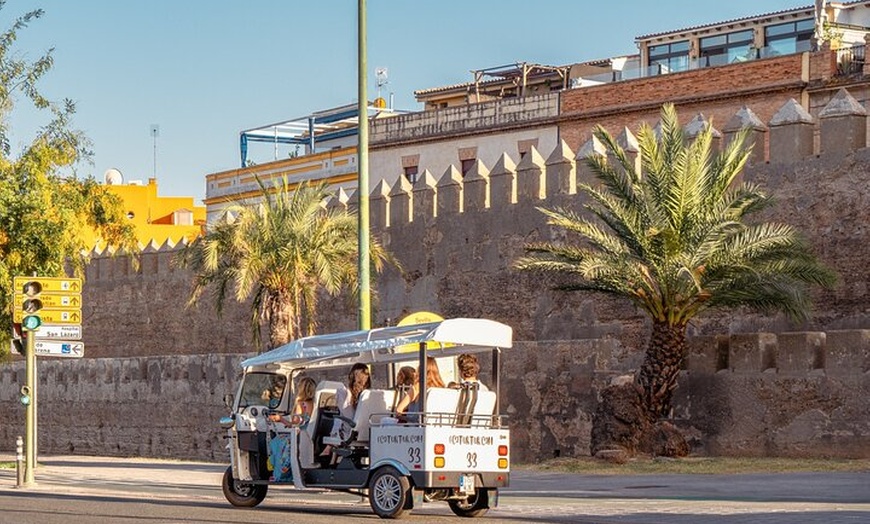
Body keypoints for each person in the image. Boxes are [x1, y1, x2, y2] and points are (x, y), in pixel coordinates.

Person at [268, 376, 316, 481]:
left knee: (277, 441)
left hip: (301, 435)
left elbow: (295, 422)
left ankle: (279, 473)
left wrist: (280, 419)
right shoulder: (313, 403)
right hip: (310, 434)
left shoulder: (301, 403)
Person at [396, 357, 446, 421]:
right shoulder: (441, 388)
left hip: (415, 426)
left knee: (385, 420)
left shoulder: (417, 387)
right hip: (437, 424)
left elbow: (398, 410)